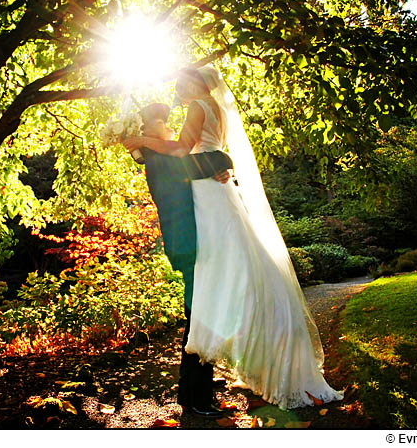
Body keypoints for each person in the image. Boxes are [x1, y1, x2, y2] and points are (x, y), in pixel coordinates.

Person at [123, 68, 344, 409]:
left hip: (210, 205)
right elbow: (202, 153)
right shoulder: (215, 111)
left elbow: (183, 149)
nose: (178, 89)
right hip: (212, 203)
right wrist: (218, 162)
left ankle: (205, 390)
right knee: (232, 280)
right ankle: (214, 385)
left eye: (182, 82)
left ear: (198, 83)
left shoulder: (197, 105)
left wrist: (141, 142)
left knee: (223, 283)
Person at [131, 102, 233, 418]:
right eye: (163, 124)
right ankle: (196, 398)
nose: (171, 129)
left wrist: (220, 170)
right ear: (151, 130)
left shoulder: (160, 155)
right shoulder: (161, 159)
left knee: (200, 315)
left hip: (192, 242)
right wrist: (225, 161)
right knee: (200, 317)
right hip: (189, 244)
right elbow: (203, 163)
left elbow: (200, 167)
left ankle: (193, 392)